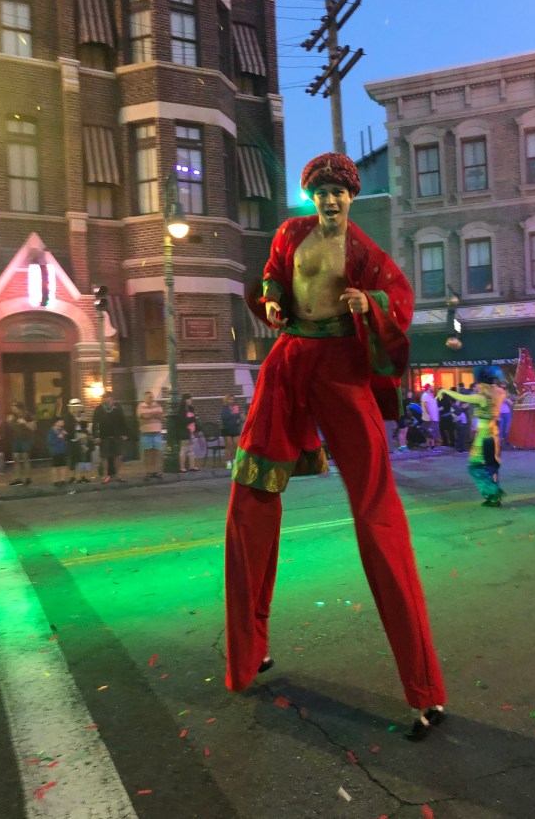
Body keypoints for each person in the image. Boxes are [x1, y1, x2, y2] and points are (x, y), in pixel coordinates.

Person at [224, 152, 446, 740]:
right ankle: (247, 654)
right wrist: (273, 297)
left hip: (341, 368)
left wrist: (370, 304)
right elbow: (273, 276)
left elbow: (399, 299)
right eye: (319, 191)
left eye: (337, 192)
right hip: (288, 362)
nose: (328, 200)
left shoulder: (365, 251)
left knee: (377, 510)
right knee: (249, 496)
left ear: (351, 198)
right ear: (311, 197)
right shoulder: (290, 234)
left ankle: (425, 689)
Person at [439, 366, 506, 507]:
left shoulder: (482, 398)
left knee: (474, 467)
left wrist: (444, 390)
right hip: (493, 436)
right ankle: (494, 496)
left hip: (484, 438)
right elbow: (499, 389)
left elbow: (462, 397)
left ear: (483, 384)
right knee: (490, 467)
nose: (478, 386)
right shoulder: (499, 394)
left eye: (479, 384)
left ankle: (492, 494)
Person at [507, 347, 535, 449]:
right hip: (534, 402)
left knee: (521, 422)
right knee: (532, 423)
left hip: (523, 402)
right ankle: (533, 443)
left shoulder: (522, 373)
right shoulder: (532, 373)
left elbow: (518, 384)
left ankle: (520, 443)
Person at [92, 391, 128, 483]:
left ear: (111, 398)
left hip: (116, 435)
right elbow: (95, 423)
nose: (103, 399)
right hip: (104, 436)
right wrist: (96, 436)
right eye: (103, 398)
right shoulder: (99, 409)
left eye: (106, 397)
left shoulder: (117, 408)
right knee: (104, 456)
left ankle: (118, 474)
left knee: (118, 455)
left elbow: (122, 420)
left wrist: (124, 433)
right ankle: (105, 475)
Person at [6, 402, 36, 485]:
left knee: (25, 458)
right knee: (15, 459)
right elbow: (11, 428)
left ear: (18, 407)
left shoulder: (27, 415)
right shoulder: (13, 415)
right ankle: (17, 478)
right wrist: (9, 422)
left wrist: (25, 423)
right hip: (15, 440)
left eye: (13, 406)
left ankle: (28, 478)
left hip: (25, 439)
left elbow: (33, 427)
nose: (12, 408)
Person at [137, 391, 164, 479]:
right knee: (147, 453)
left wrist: (150, 414)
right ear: (145, 398)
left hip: (157, 433)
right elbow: (145, 416)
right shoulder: (141, 406)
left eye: (152, 397)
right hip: (146, 433)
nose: (152, 399)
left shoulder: (158, 406)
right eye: (150, 397)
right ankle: (149, 471)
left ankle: (156, 471)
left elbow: (161, 416)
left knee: (156, 452)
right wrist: (154, 414)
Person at [177, 393, 200, 472]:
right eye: (189, 399)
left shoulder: (191, 408)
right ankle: (182, 467)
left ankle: (192, 466)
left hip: (191, 431)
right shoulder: (181, 410)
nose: (191, 400)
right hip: (184, 431)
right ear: (185, 400)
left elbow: (194, 419)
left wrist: (196, 429)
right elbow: (184, 420)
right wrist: (193, 418)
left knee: (191, 449)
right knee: (184, 449)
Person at [64, 398, 84, 483]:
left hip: (79, 440)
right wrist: (76, 422)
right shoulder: (68, 417)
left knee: (79, 459)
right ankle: (72, 477)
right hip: (71, 440)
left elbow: (83, 428)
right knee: (71, 459)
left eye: (78, 407)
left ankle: (79, 477)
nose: (77, 409)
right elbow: (67, 428)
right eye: (75, 407)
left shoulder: (81, 416)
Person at [221, 394, 242, 469]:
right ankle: (228, 463)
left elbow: (238, 416)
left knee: (236, 446)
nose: (232, 401)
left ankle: (235, 462)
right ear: (227, 400)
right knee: (229, 447)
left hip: (235, 428)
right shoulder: (225, 408)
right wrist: (231, 414)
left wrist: (238, 420)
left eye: (233, 399)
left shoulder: (235, 407)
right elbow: (224, 418)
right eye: (230, 399)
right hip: (227, 429)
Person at [46, 416, 67, 486]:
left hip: (62, 450)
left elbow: (64, 439)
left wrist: (65, 435)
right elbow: (50, 442)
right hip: (55, 451)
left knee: (63, 465)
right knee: (55, 466)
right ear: (56, 422)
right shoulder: (51, 431)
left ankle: (62, 480)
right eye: (61, 421)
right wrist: (58, 437)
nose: (63, 422)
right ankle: (55, 481)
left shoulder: (62, 429)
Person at [420, 384, 440, 450]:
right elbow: (426, 405)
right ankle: (430, 446)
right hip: (428, 417)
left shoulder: (430, 395)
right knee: (430, 431)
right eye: (431, 387)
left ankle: (430, 446)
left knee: (431, 431)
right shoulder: (425, 395)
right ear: (428, 388)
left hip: (432, 417)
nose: (433, 387)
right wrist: (429, 415)